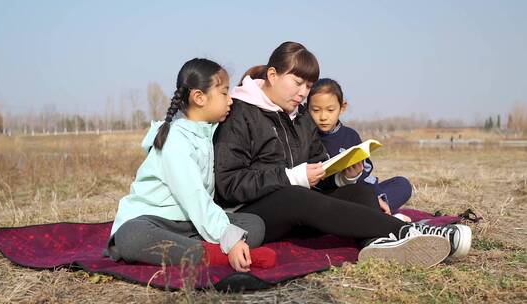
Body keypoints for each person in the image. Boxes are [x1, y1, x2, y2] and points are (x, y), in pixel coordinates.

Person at [213, 42, 471, 267]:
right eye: (298, 82)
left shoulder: (301, 117)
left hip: (298, 208)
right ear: (272, 75)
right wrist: (292, 177)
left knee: (362, 191)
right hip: (252, 214)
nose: (303, 92)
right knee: (296, 195)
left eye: (309, 85)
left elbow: (317, 168)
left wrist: (341, 177)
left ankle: (377, 244)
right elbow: (229, 184)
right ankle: (408, 231)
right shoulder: (240, 113)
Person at [104, 58, 276, 273]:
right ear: (199, 97)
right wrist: (231, 239)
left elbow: (203, 205)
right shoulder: (175, 139)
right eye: (224, 93)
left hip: (187, 225)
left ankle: (199, 249)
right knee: (131, 236)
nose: (230, 100)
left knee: (255, 225)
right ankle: (220, 256)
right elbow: (194, 196)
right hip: (154, 222)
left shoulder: (209, 133)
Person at [306, 78, 413, 216]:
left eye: (330, 110)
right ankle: (377, 213)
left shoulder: (351, 136)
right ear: (307, 108)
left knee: (402, 184)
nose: (323, 117)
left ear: (342, 108)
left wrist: (377, 195)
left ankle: (378, 208)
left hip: (360, 191)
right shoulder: (306, 136)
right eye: (315, 110)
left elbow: (365, 174)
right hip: (329, 198)